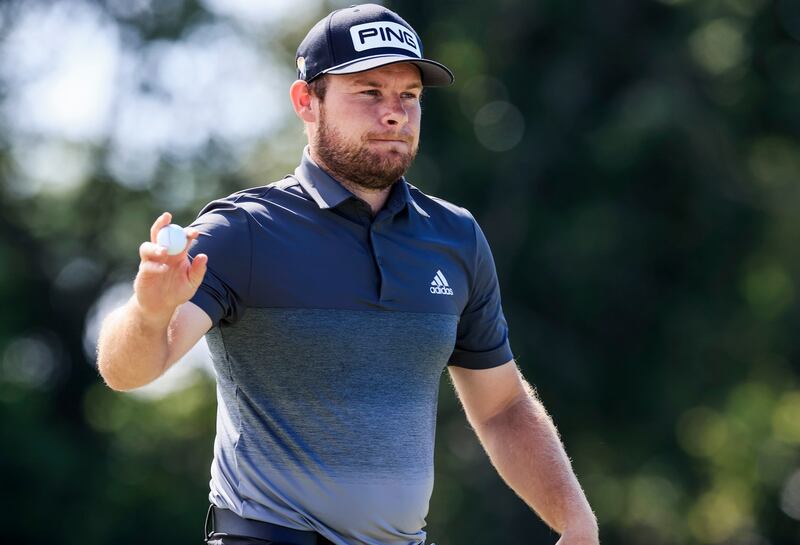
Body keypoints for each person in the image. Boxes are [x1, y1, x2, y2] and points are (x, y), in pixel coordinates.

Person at [96, 4, 599, 545]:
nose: (394, 114)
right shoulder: (243, 231)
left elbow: (501, 407)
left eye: (409, 96)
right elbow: (129, 371)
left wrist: (576, 521)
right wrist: (149, 313)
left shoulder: (455, 237)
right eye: (369, 92)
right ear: (306, 102)